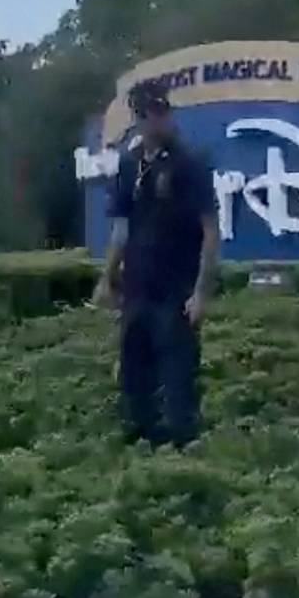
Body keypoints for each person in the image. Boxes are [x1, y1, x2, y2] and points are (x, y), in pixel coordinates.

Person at [93, 77, 219, 447]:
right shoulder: (129, 166)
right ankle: (137, 446)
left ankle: (182, 452)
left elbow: (210, 231)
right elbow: (121, 230)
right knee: (134, 378)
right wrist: (107, 278)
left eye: (164, 111)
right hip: (137, 291)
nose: (160, 120)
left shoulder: (190, 164)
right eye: (151, 113)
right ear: (139, 117)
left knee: (178, 379)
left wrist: (201, 292)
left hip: (175, 291)